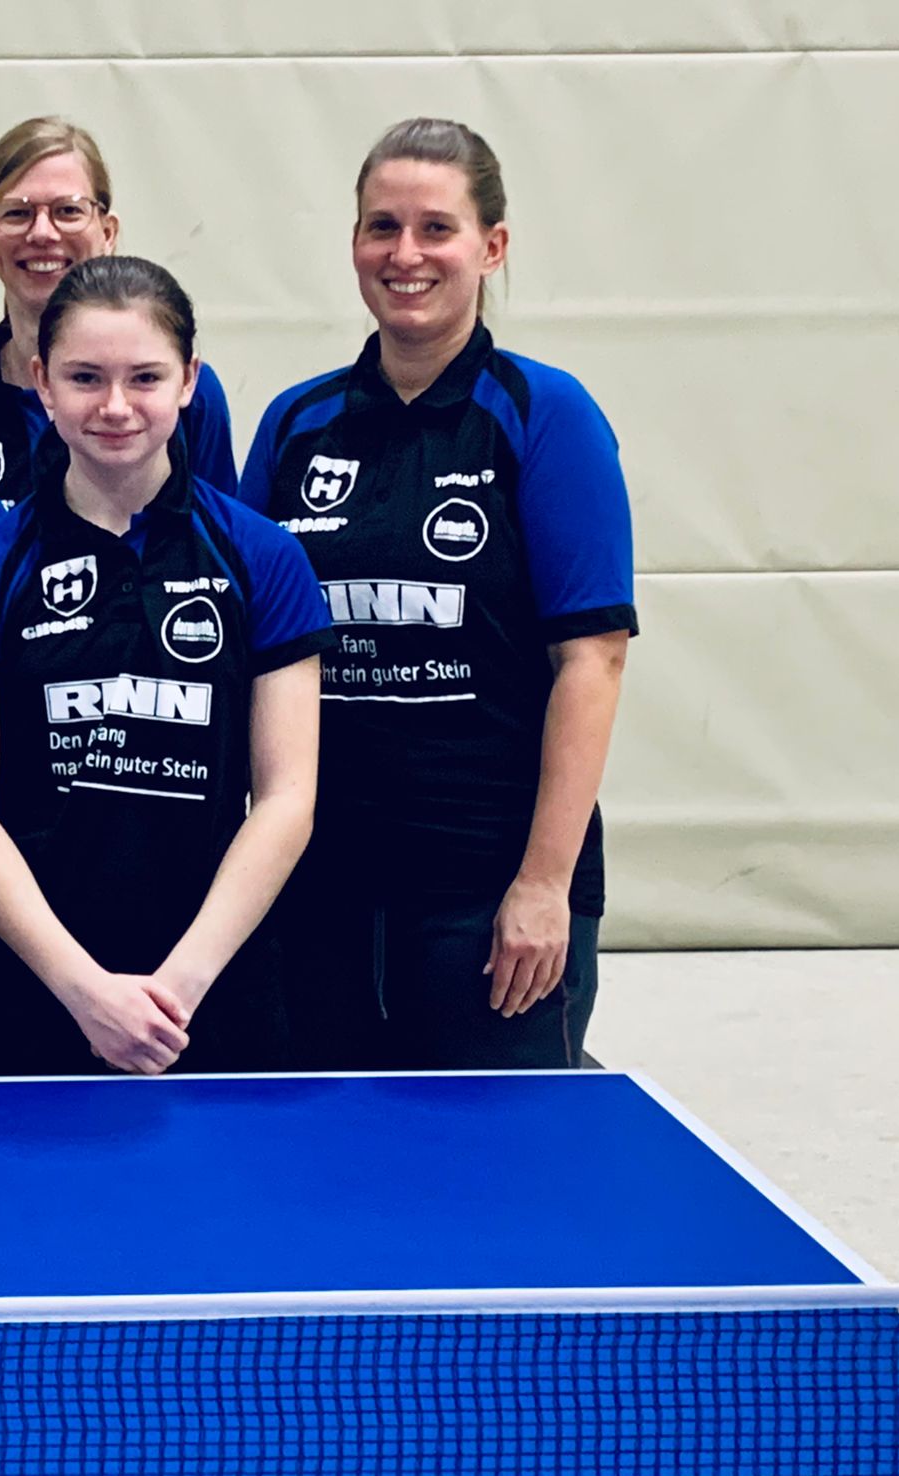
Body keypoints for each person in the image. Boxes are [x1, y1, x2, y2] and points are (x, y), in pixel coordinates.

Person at [238, 117, 637, 1069]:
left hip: (486, 892)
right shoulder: (296, 425)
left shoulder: (548, 416)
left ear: (491, 247)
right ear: (354, 246)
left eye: (436, 228)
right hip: (323, 886)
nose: (405, 254)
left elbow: (593, 661)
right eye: (382, 227)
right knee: (326, 1170)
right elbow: (243, 648)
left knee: (491, 1185)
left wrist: (543, 883)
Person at [0, 256, 331, 1077]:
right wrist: (82, 991)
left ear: (190, 382)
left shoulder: (264, 558)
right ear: (42, 382)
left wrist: (178, 987)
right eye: (85, 377)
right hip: (30, 994)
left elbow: (288, 796)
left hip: (209, 998)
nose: (115, 406)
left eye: (145, 377)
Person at [0, 116, 242, 510]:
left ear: (107, 232)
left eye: (68, 211)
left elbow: (223, 540)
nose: (42, 233)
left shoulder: (185, 395)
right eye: (17, 213)